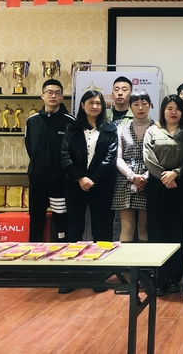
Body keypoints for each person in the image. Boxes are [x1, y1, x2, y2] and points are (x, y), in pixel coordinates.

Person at [61, 89, 118, 294]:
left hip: (101, 185)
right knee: (74, 230)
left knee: (101, 230)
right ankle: (71, 275)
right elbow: (65, 155)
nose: (95, 106)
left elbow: (110, 157)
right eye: (91, 102)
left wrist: (93, 179)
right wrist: (80, 177)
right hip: (75, 185)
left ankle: (100, 276)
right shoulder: (72, 128)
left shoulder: (110, 129)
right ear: (82, 105)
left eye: (98, 103)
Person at [143, 95, 183, 295]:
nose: (173, 112)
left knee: (177, 232)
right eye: (169, 108)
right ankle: (159, 278)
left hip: (180, 186)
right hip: (157, 186)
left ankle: (173, 278)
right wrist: (164, 176)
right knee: (157, 232)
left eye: (177, 108)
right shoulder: (153, 131)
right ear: (162, 110)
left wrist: (176, 173)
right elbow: (148, 157)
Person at [25, 79, 75, 244]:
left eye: (57, 93)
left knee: (61, 221)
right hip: (37, 181)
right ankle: (34, 253)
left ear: (62, 97)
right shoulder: (32, 121)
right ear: (42, 96)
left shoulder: (70, 122)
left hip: (60, 182)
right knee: (36, 220)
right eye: (49, 92)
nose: (53, 96)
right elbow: (30, 148)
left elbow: (73, 152)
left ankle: (63, 252)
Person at [113, 90, 155, 243]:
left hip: (149, 179)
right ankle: (125, 259)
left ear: (150, 105)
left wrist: (145, 176)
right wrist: (132, 177)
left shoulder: (157, 128)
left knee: (144, 228)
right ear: (130, 106)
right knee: (127, 228)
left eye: (144, 104)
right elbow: (117, 157)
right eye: (136, 104)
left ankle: (143, 259)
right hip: (126, 179)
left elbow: (159, 157)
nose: (140, 108)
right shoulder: (121, 128)